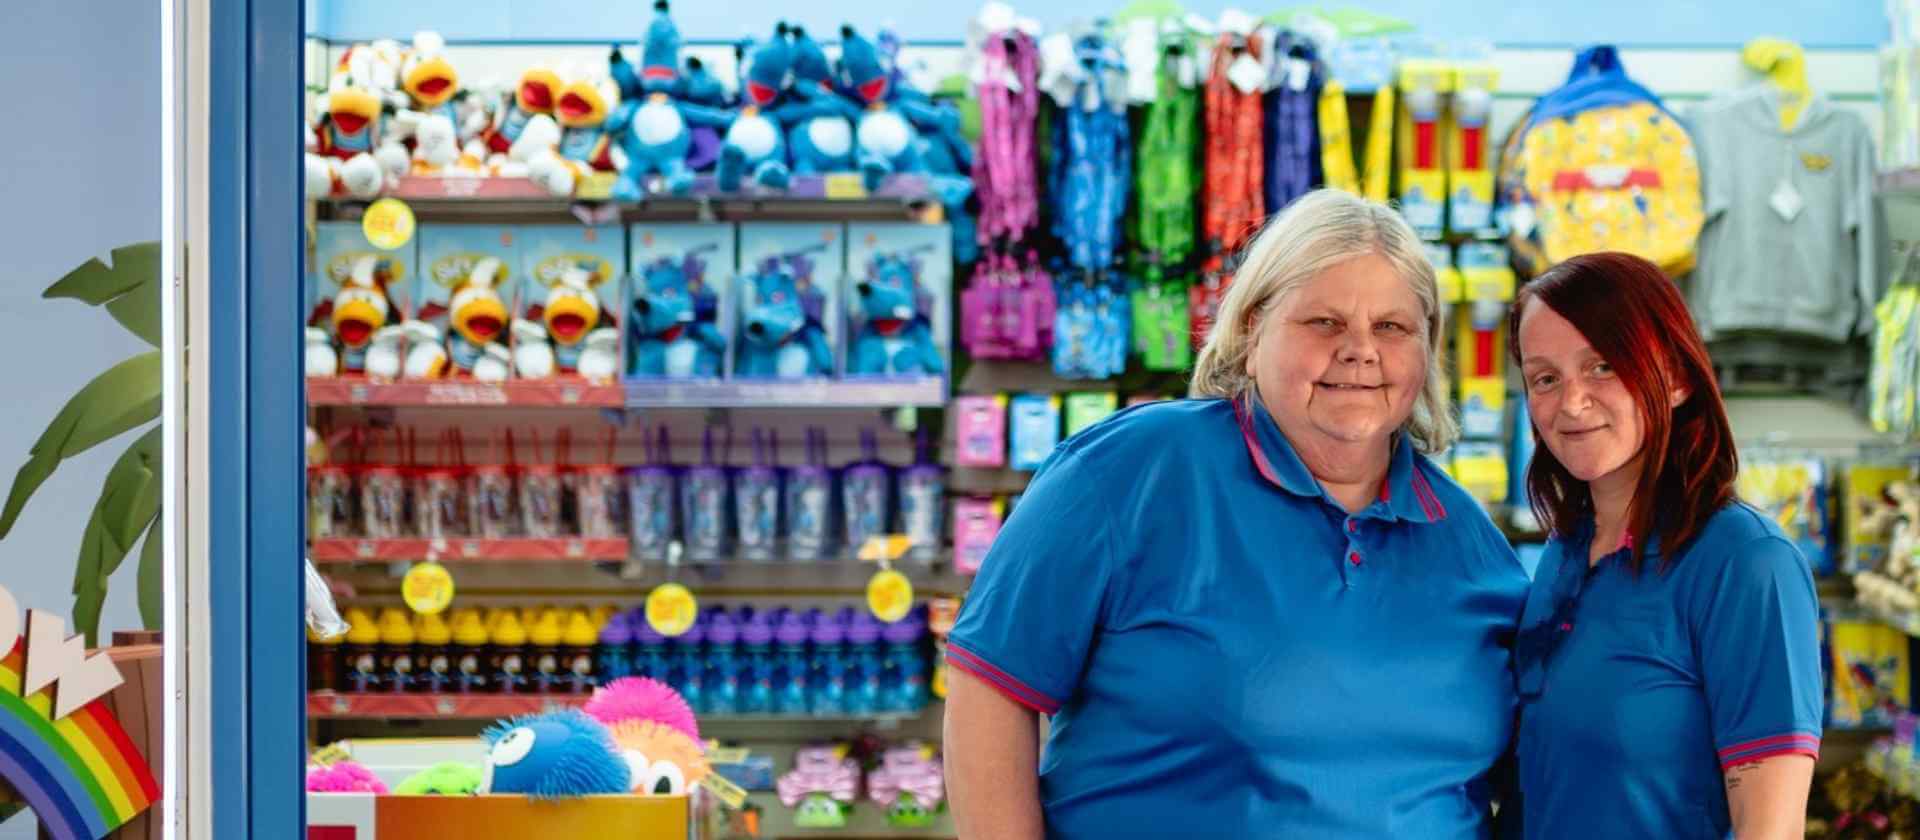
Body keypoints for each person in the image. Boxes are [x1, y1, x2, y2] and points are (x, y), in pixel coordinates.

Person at [942, 189, 1530, 838]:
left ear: (1427, 350)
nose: (1361, 350)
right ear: (1251, 330)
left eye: (1393, 327)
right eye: (1324, 322)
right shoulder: (1128, 473)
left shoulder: (1473, 546)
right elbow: (990, 686)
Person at [1507, 251, 1821, 839]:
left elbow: (1769, 829)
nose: (1571, 402)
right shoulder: (1565, 553)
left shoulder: (1747, 563)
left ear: (1676, 377)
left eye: (1603, 366)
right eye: (1545, 378)